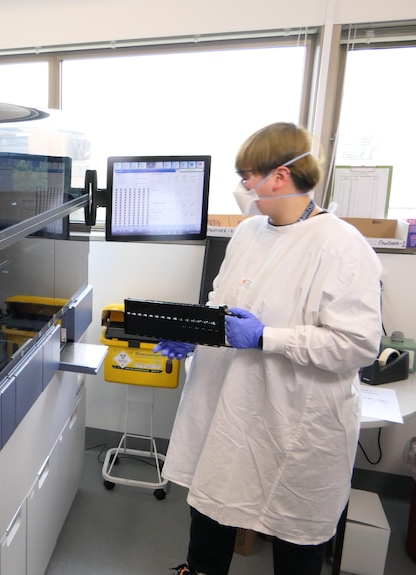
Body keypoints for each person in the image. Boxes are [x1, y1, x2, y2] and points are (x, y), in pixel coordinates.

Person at [155, 122, 383, 575]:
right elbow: (222, 303)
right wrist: (197, 331)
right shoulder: (248, 232)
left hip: (294, 420)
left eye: (246, 176)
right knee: (211, 513)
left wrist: (266, 338)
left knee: (294, 537)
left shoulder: (341, 246)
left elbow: (358, 344)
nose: (243, 187)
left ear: (279, 176)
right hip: (228, 411)